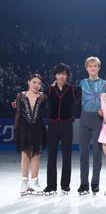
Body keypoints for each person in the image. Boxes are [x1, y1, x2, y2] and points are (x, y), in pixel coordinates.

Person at [44, 63, 81, 195]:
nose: (61, 76)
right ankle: (51, 185)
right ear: (55, 75)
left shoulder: (73, 89)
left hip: (66, 124)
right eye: (59, 73)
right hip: (53, 124)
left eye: (64, 73)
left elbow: (80, 101)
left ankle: (65, 185)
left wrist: (73, 114)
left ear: (67, 76)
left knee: (67, 156)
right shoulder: (49, 90)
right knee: (51, 156)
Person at [14, 74, 47, 196]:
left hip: (38, 128)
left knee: (36, 155)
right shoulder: (20, 95)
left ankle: (34, 181)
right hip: (24, 128)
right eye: (34, 82)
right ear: (28, 82)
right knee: (25, 154)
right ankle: (24, 182)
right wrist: (16, 129)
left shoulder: (43, 96)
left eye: (39, 83)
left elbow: (48, 111)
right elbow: (18, 113)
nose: (36, 85)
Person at [78, 56, 105, 196]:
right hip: (84, 119)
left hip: (98, 120)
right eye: (90, 66)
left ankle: (95, 183)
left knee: (97, 153)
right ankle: (83, 183)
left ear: (99, 68)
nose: (93, 68)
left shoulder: (105, 84)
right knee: (83, 153)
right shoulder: (81, 83)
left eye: (95, 66)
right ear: (86, 68)